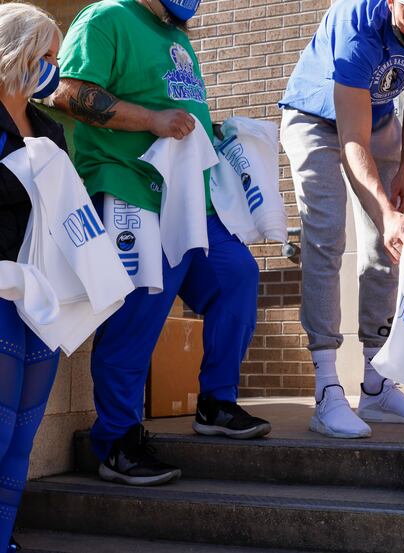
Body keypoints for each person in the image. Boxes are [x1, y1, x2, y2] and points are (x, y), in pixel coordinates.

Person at [53, 0, 269, 487]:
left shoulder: (175, 30)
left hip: (190, 193)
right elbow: (66, 92)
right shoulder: (106, 16)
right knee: (140, 306)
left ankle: (215, 403)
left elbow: (173, 102)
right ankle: (116, 440)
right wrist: (150, 120)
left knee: (236, 275)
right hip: (128, 185)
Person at [279, 0, 404, 439]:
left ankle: (376, 382)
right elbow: (351, 138)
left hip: (382, 120)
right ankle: (327, 390)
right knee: (326, 240)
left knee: (391, 243)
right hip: (317, 118)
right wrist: (382, 209)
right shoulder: (354, 19)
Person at [0, 4, 64, 549]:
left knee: (21, 437)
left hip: (41, 299)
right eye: (45, 56)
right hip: (0, 290)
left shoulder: (49, 129)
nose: (52, 68)